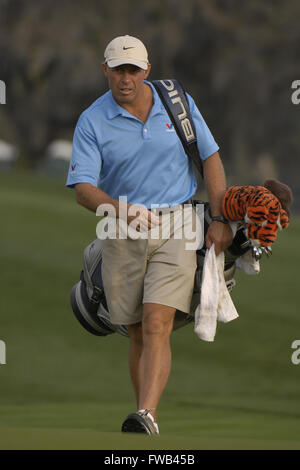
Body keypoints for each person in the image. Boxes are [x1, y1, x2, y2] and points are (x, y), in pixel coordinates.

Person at [66, 35, 233, 435]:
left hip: (178, 223)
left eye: (133, 70)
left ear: (147, 70)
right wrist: (123, 211)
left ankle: (146, 415)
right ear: (105, 70)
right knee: (138, 328)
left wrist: (220, 216)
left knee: (157, 321)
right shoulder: (92, 120)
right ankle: (144, 415)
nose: (126, 78)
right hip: (121, 229)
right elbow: (84, 190)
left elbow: (210, 157)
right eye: (118, 69)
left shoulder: (177, 103)